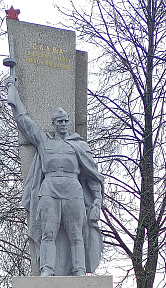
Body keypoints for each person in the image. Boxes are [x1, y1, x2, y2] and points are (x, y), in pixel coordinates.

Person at [6, 77, 105, 276]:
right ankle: (47, 269)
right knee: (48, 233)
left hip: (72, 190)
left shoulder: (79, 146)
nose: (63, 124)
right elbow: (24, 121)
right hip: (49, 190)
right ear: (53, 123)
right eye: (59, 121)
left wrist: (96, 203)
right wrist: (12, 91)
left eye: (66, 121)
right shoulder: (44, 142)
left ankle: (79, 270)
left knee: (77, 234)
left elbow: (93, 177)